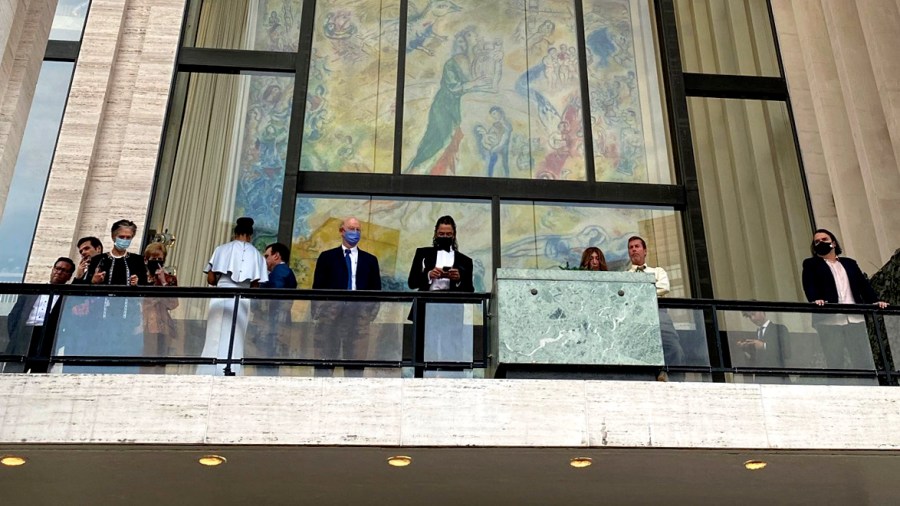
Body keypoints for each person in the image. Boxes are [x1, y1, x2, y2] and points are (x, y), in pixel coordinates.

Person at [801, 229, 888, 369]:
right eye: (817, 241)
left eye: (824, 239)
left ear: (833, 243)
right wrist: (815, 299)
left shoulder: (849, 263)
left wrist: (874, 301)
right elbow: (809, 285)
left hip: (855, 318)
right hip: (829, 319)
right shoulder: (811, 264)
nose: (820, 242)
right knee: (835, 360)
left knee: (862, 359)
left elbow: (863, 285)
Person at [312, 217, 381, 371]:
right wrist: (320, 312)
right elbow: (318, 287)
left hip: (358, 317)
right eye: (351, 229)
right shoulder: (327, 257)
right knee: (325, 362)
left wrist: (368, 314)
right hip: (330, 317)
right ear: (341, 231)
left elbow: (376, 290)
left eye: (358, 230)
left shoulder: (370, 260)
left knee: (355, 364)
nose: (355, 233)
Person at [202, 217, 268, 375]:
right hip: (243, 297)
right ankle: (233, 370)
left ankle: (209, 370)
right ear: (250, 235)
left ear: (235, 232)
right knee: (236, 335)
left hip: (221, 294)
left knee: (214, 333)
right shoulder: (257, 255)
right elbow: (255, 285)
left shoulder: (222, 249)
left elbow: (211, 279)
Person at [407, 215, 475, 363]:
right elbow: (412, 282)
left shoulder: (465, 261)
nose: (445, 237)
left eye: (448, 234)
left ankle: (449, 373)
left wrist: (459, 279)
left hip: (452, 308)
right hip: (426, 305)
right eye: (441, 234)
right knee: (425, 346)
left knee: (450, 348)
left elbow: (470, 291)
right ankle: (423, 375)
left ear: (454, 235)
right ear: (435, 233)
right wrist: (429, 274)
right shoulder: (423, 254)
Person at [80, 219, 149, 364]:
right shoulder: (99, 259)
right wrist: (93, 281)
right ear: (113, 236)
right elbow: (85, 289)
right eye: (121, 237)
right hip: (100, 319)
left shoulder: (136, 261)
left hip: (127, 320)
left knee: (123, 359)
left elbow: (145, 289)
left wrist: (138, 283)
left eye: (128, 237)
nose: (125, 240)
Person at [625, 235, 682, 379]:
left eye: (637, 246)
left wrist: (638, 294)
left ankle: (672, 378)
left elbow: (664, 287)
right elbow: (626, 296)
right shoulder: (625, 275)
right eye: (631, 247)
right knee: (639, 348)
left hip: (659, 312)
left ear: (645, 251)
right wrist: (649, 291)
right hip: (636, 316)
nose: (634, 250)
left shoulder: (657, 271)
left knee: (673, 346)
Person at [3, 258, 74, 372]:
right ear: (52, 269)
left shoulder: (67, 297)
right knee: (12, 373)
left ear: (69, 276)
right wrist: (17, 336)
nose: (59, 272)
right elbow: (13, 316)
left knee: (39, 374)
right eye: (57, 268)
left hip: (46, 338)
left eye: (64, 270)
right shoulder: (33, 291)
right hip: (24, 335)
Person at [257, 242, 298, 361]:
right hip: (278, 322)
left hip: (274, 322)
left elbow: (275, 294)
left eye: (267, 256)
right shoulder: (282, 271)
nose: (265, 260)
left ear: (276, 256)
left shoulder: (280, 271)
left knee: (268, 356)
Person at [141, 242, 179, 362]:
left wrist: (163, 282)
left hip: (161, 325)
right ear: (146, 260)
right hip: (142, 323)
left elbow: (173, 303)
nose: (157, 262)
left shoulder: (170, 279)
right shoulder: (139, 278)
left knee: (159, 361)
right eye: (153, 259)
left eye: (160, 259)